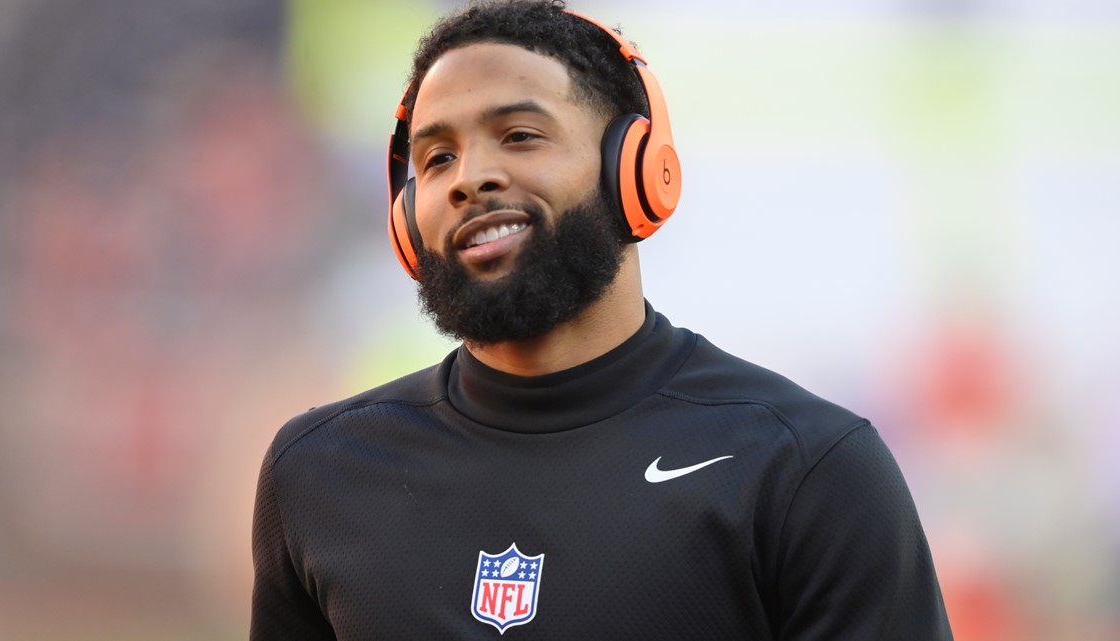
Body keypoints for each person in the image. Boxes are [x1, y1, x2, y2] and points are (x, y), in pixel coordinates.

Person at [250, 1, 954, 638]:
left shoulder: (806, 469)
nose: (469, 176)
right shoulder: (316, 473)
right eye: (437, 158)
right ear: (407, 220)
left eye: (521, 135)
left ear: (637, 170)